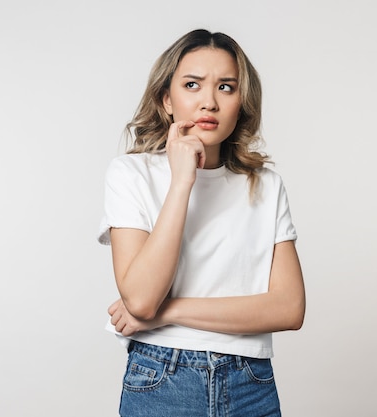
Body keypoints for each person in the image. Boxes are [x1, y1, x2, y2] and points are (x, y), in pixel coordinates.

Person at [97, 28, 305, 417]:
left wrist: (166, 312)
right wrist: (182, 182)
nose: (209, 101)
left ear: (242, 102)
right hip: (162, 377)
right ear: (166, 100)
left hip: (251, 382)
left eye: (226, 87)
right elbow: (140, 298)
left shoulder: (265, 185)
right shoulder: (131, 173)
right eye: (192, 84)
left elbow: (289, 309)